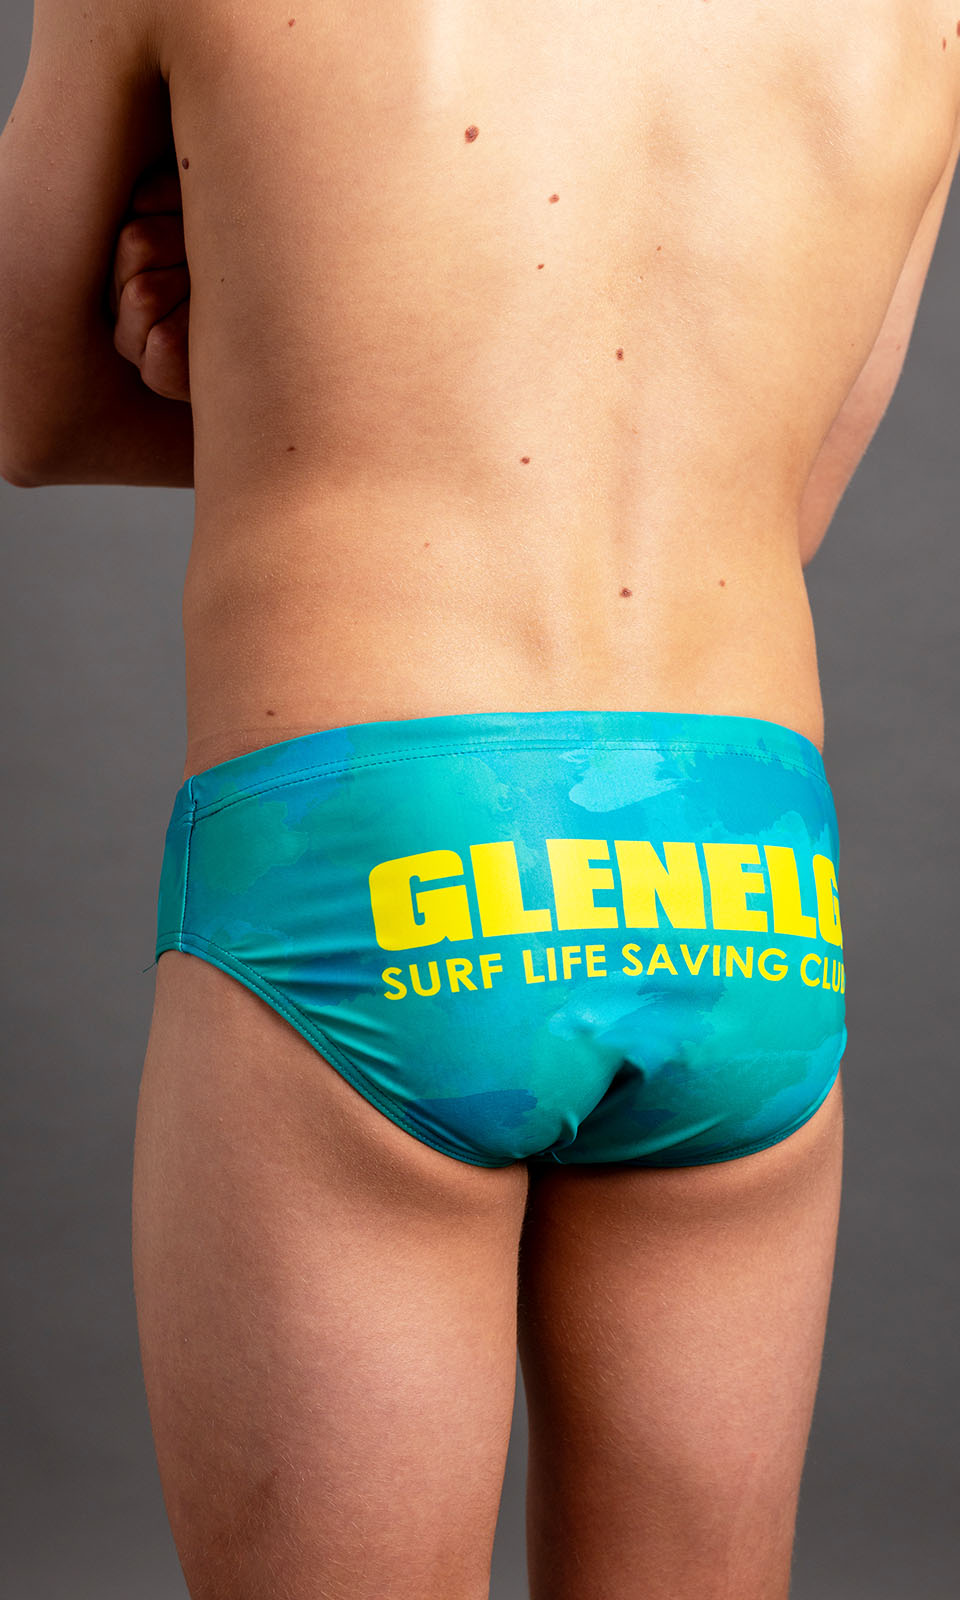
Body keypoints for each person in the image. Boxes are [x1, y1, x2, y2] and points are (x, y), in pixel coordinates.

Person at [1, 3, 957, 1596]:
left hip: (383, 846)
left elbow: (25, 405)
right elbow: (776, 497)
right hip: (739, 871)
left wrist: (273, 364)